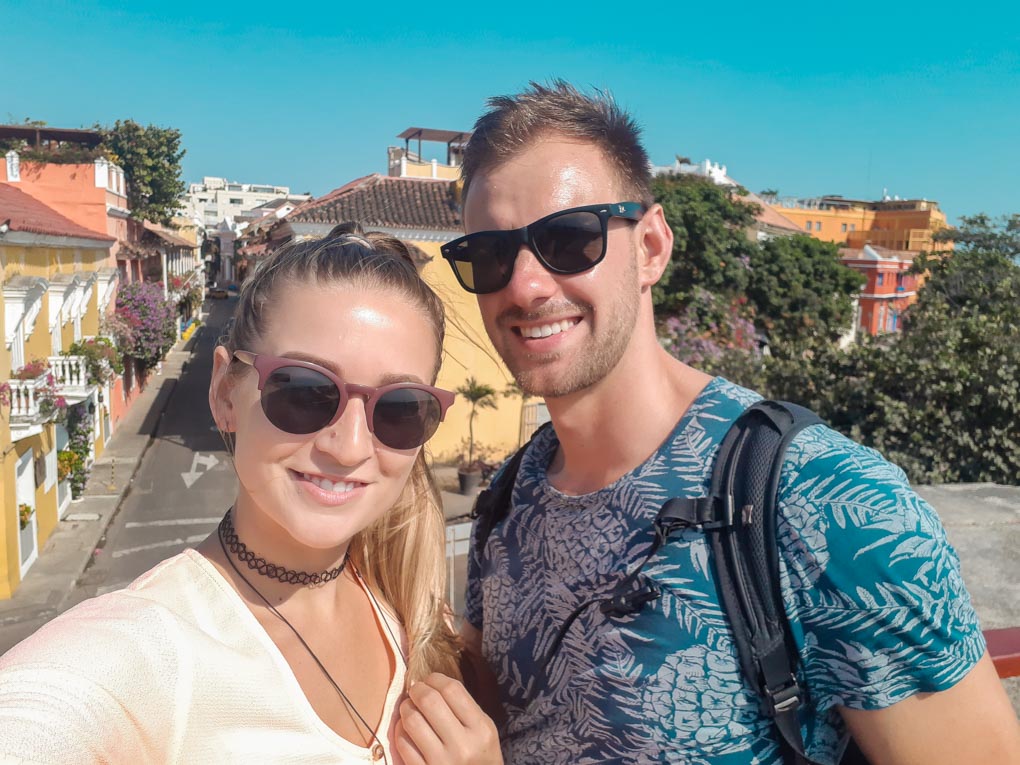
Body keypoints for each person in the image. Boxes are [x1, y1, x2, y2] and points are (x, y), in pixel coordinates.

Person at [447, 81, 1020, 764]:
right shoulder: (510, 500)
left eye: (570, 239)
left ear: (652, 246)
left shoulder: (830, 505)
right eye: (490, 255)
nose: (525, 284)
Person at [0, 226, 501, 764]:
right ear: (224, 393)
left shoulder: (416, 616)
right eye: (306, 391)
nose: (350, 448)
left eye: (399, 407)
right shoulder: (146, 650)